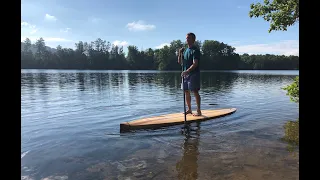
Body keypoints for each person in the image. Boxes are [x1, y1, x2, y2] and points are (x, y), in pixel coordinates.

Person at [178, 32, 202, 116]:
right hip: (185, 74)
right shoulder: (186, 51)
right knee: (186, 91)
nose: (186, 40)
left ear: (193, 39)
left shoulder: (195, 50)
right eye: (186, 38)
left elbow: (195, 63)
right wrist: (180, 53)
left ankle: (198, 111)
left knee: (195, 91)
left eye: (188, 38)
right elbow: (180, 62)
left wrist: (187, 71)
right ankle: (189, 110)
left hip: (193, 73)